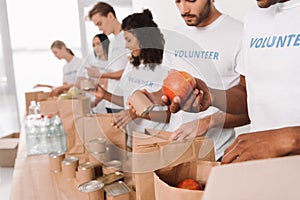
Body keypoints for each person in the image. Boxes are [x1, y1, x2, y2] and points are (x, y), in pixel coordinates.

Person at [162, 0, 300, 163]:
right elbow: (246, 93)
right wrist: (211, 96)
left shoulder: (237, 29)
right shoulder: (254, 16)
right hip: (260, 163)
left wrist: (286, 139)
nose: (184, 8)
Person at [160, 0, 249, 161]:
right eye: (178, 1)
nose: (183, 9)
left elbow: (250, 108)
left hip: (218, 154)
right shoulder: (174, 37)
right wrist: (148, 99)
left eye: (191, 0)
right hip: (176, 150)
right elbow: (169, 92)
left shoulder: (241, 33)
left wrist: (208, 122)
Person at [91, 9, 170, 147]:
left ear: (144, 38)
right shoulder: (132, 65)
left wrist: (138, 114)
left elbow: (168, 116)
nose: (126, 46)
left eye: (128, 40)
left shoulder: (166, 67)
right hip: (133, 141)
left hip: (155, 142)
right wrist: (104, 95)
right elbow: (126, 101)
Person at [87, 2, 129, 113]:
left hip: (123, 101)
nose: (100, 29)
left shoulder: (128, 38)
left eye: (100, 23)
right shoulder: (112, 42)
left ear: (110, 16)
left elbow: (128, 72)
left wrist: (101, 74)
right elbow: (113, 71)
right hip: (110, 101)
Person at [85, 33, 110, 113]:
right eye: (94, 45)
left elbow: (107, 84)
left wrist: (96, 101)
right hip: (95, 106)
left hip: (108, 103)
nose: (96, 48)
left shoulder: (112, 63)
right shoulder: (93, 65)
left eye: (98, 44)